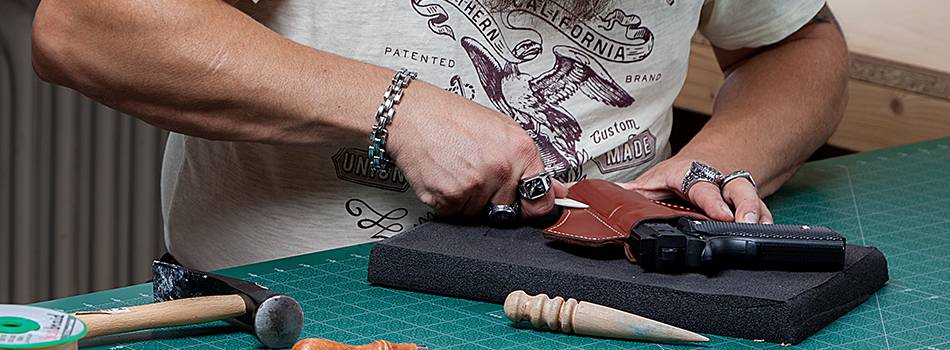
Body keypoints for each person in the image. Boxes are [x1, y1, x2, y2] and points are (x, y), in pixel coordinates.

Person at [31, 0, 848, 270]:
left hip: (596, 295)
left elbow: (794, 41)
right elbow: (84, 24)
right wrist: (398, 107)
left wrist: (716, 161)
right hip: (293, 315)